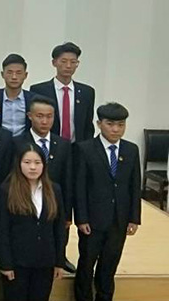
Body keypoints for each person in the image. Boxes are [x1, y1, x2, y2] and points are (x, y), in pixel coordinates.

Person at [74, 103, 141, 301]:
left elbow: (134, 186)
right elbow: (80, 187)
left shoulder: (131, 150)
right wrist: (81, 218)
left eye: (121, 125)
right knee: (87, 263)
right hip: (92, 220)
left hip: (119, 219)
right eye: (110, 124)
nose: (115, 129)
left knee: (110, 264)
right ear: (99, 124)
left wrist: (134, 218)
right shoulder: (85, 149)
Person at [0, 144, 66, 301]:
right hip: (17, 263)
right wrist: (5, 263)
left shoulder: (54, 190)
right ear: (19, 164)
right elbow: (2, 229)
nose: (33, 167)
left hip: (45, 261)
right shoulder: (7, 190)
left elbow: (59, 229)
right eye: (27, 162)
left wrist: (59, 261)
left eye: (37, 162)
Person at [14, 95, 73, 272]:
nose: (45, 121)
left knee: (56, 233)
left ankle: (60, 258)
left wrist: (67, 212)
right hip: (25, 200)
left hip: (53, 201)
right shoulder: (17, 142)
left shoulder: (63, 144)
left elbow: (68, 179)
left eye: (49, 116)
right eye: (39, 116)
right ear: (30, 116)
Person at [29, 42, 95, 143]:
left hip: (77, 147)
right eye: (63, 61)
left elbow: (88, 126)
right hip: (49, 145)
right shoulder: (39, 90)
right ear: (54, 62)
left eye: (73, 62)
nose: (68, 66)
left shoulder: (87, 92)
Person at [0, 53, 33, 137]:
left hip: (25, 142)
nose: (14, 77)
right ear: (2, 74)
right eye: (9, 72)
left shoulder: (33, 99)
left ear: (25, 75)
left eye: (18, 73)